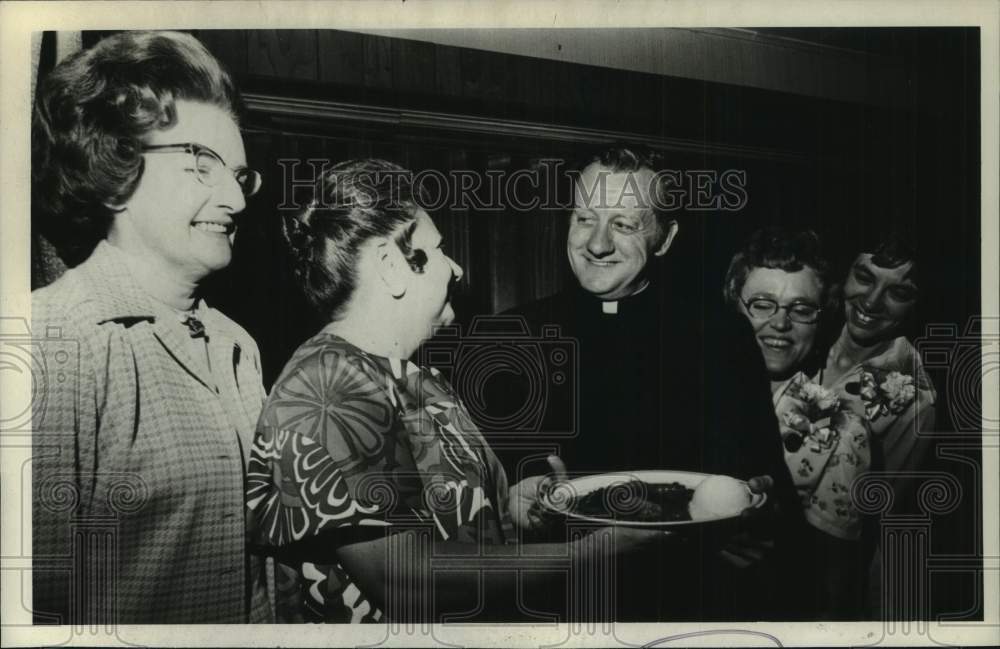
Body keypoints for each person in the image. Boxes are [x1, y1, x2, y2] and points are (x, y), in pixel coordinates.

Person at [245, 159, 664, 624]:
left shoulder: (419, 380)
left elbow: (444, 520)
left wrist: (512, 507)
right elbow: (405, 578)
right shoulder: (327, 387)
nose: (457, 269)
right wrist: (592, 555)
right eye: (440, 249)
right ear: (391, 267)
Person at [492, 145, 801, 620]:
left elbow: (764, 478)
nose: (597, 244)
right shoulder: (510, 337)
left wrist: (759, 513)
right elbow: (483, 496)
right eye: (583, 218)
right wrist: (517, 498)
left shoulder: (718, 336)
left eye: (624, 224)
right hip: (557, 605)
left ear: (665, 237)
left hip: (684, 600)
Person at [31, 31, 270, 623]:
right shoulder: (52, 340)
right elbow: (34, 606)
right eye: (202, 165)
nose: (235, 202)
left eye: (240, 176)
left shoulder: (238, 346)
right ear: (115, 167)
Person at [724, 226, 870, 618]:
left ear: (820, 320)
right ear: (734, 306)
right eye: (762, 304)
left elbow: (832, 586)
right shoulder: (685, 393)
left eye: (801, 309)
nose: (780, 323)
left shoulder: (844, 432)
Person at [815, 230, 937, 617]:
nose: (871, 301)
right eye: (865, 277)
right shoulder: (803, 333)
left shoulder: (915, 400)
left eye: (898, 293)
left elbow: (874, 519)